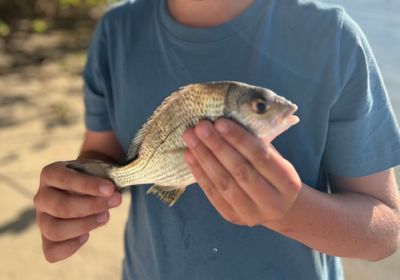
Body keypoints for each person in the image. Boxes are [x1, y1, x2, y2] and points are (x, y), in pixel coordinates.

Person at [33, 0, 400, 279]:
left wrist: (292, 211)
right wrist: (76, 194)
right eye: (260, 106)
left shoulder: (332, 38)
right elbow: (103, 157)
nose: (274, 109)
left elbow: (386, 231)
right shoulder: (116, 32)